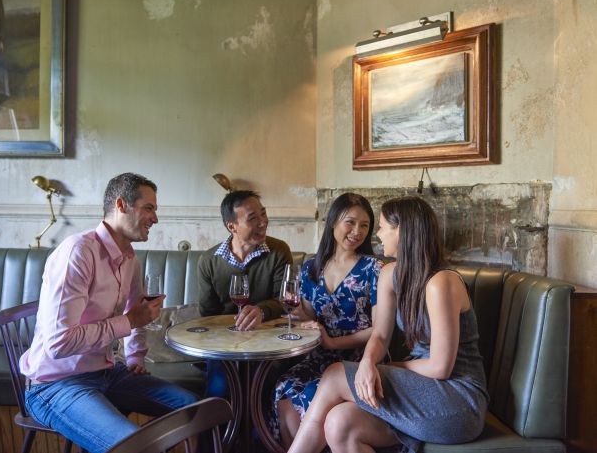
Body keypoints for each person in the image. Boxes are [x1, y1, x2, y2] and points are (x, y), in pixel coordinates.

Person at [287, 196, 489, 453]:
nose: (377, 235)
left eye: (382, 227)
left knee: (335, 374)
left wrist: (382, 368)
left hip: (456, 400)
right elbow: (380, 335)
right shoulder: (388, 274)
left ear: (402, 231)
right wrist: (369, 362)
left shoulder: (441, 282)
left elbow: (440, 367)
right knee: (340, 423)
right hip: (418, 390)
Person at [20, 173, 198, 453]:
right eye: (149, 208)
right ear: (121, 205)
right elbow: (59, 343)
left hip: (107, 371)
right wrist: (127, 322)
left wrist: (135, 355)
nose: (155, 218)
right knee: (141, 446)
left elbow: (136, 312)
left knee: (199, 412)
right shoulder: (77, 253)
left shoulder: (130, 258)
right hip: (55, 384)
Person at [271, 193, 382, 448]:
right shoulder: (312, 267)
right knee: (284, 388)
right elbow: (311, 316)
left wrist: (333, 341)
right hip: (319, 357)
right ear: (333, 222)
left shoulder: (373, 269)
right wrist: (300, 316)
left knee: (307, 397)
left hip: (359, 360)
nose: (357, 231)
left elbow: (380, 330)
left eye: (364, 225)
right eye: (350, 223)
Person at [197, 190, 293, 396]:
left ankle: (258, 428)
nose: (262, 222)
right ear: (232, 226)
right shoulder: (208, 261)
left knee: (263, 386)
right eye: (253, 218)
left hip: (267, 340)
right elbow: (208, 315)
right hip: (224, 344)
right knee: (220, 389)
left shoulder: (278, 251)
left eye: (263, 214)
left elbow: (283, 300)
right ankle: (219, 429)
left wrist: (262, 311)